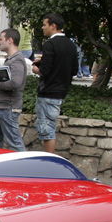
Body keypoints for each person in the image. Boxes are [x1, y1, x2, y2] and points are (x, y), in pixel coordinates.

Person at [31, 13, 79, 153]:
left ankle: (49, 163)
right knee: (49, 127)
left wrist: (35, 69)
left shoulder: (50, 44)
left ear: (53, 26)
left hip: (48, 91)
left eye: (44, 25)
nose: (42, 28)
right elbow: (74, 69)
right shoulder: (71, 45)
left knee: (47, 130)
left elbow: (44, 71)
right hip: (62, 91)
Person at [0, 28, 27, 151]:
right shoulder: (11, 59)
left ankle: (27, 168)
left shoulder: (17, 60)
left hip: (8, 108)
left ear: (10, 40)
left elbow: (16, 83)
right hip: (1, 107)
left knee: (15, 144)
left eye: (1, 39)